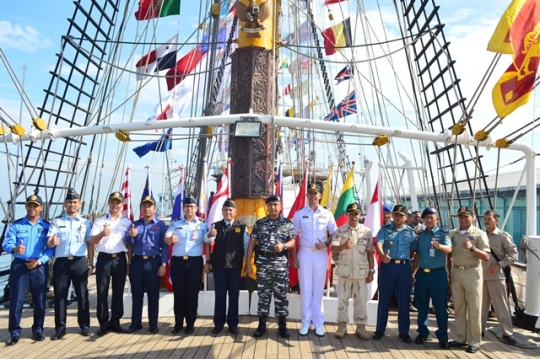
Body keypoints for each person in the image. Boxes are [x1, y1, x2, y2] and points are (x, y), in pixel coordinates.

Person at [3, 194, 53, 345]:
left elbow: (50, 249)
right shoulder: (16, 225)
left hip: (38, 265)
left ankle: (38, 329)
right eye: (29, 205)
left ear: (40, 208)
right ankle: (14, 332)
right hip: (20, 265)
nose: (32, 208)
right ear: (26, 207)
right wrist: (15, 249)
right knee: (16, 300)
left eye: (35, 206)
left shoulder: (46, 227)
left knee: (39, 300)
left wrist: (40, 261)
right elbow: (6, 244)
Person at [245, 194, 295, 338]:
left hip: (280, 266)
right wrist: (248, 264)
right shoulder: (259, 223)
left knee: (281, 296)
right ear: (266, 207)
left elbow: (293, 241)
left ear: (280, 206)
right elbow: (252, 244)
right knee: (263, 296)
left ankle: (282, 326)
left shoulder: (287, 223)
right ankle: (261, 326)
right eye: (270, 204)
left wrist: (284, 245)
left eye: (275, 204)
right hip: (263, 266)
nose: (273, 207)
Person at [292, 183, 337, 337]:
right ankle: (305, 322)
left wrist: (325, 243)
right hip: (304, 253)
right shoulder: (299, 213)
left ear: (319, 195)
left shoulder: (327, 214)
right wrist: (294, 257)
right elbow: (293, 236)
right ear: (307, 196)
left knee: (318, 289)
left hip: (320, 253)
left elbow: (334, 233)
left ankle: (318, 323)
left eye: (315, 193)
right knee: (305, 289)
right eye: (310, 193)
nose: (312, 196)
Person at [47, 189, 93, 340]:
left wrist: (91, 263)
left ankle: (84, 325)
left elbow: (90, 243)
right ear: (65, 204)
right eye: (69, 202)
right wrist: (51, 242)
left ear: (80, 204)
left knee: (82, 294)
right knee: (60, 295)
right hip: (62, 262)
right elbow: (49, 240)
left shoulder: (86, 222)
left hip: (80, 261)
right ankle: (60, 328)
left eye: (75, 202)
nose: (72, 205)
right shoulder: (56, 221)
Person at [165, 196, 210, 335]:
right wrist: (169, 239)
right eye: (187, 206)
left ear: (196, 208)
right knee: (179, 294)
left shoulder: (202, 224)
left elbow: (207, 242)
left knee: (192, 294)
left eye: (192, 206)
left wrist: (207, 262)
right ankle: (178, 324)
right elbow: (166, 238)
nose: (189, 209)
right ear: (183, 208)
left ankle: (190, 324)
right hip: (178, 262)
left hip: (194, 263)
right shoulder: (176, 223)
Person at [448, 206, 490, 354]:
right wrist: (449, 272)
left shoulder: (479, 234)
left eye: (466, 216)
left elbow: (486, 257)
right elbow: (449, 253)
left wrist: (472, 248)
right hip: (457, 271)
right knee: (459, 308)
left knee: (474, 308)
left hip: (472, 271)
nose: (463, 219)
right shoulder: (453, 233)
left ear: (472, 217)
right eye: (461, 216)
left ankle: (474, 341)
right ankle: (461, 338)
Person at [90, 191, 132, 336]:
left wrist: (129, 262)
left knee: (118, 291)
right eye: (113, 202)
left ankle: (115, 321)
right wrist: (102, 234)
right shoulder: (99, 221)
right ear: (108, 203)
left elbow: (129, 244)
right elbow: (92, 241)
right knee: (102, 291)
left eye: (118, 203)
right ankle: (103, 323)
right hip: (104, 258)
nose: (115, 205)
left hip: (120, 258)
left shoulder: (126, 222)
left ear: (122, 205)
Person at [123, 196, 168, 334]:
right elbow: (126, 242)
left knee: (153, 295)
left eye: (150, 206)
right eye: (144, 206)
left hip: (153, 262)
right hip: (137, 262)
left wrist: (164, 264)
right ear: (141, 209)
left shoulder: (160, 226)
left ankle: (153, 324)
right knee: (136, 294)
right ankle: (135, 323)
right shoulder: (134, 225)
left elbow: (165, 246)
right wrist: (130, 235)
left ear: (154, 208)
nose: (147, 208)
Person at [373, 204, 416, 343]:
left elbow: (414, 251)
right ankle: (380, 330)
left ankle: (403, 332)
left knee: (404, 300)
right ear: (392, 216)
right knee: (384, 299)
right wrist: (382, 255)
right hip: (388, 267)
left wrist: (412, 270)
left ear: (406, 218)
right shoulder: (385, 230)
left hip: (404, 268)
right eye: (396, 214)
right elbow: (378, 243)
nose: (398, 217)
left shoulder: (411, 232)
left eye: (401, 215)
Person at [205, 199, 249, 335]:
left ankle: (233, 323)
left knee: (234, 296)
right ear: (222, 212)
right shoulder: (215, 226)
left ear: (235, 212)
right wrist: (209, 235)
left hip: (235, 267)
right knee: (220, 296)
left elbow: (246, 246)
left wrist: (247, 264)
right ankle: (218, 323)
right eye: (225, 210)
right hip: (219, 267)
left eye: (230, 210)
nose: (228, 212)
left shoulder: (242, 227)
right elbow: (206, 240)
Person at [331, 203, 374, 340]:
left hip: (361, 273)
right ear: (347, 215)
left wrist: (371, 271)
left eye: (356, 214)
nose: (354, 216)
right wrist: (343, 246)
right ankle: (342, 325)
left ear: (360, 215)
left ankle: (360, 326)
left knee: (360, 300)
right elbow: (333, 249)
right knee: (342, 300)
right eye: (351, 214)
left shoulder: (367, 232)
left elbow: (370, 253)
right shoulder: (340, 231)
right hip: (345, 272)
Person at [412, 206, 452, 349]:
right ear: (423, 219)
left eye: (431, 217)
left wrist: (440, 246)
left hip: (438, 274)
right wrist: (413, 272)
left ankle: (443, 336)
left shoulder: (442, 235)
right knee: (421, 305)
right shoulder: (421, 235)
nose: (429, 220)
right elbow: (417, 255)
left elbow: (449, 250)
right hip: (422, 274)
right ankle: (422, 333)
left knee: (440, 307)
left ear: (437, 219)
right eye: (426, 218)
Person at [481, 210, 518, 345]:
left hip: (496, 276)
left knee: (501, 306)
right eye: (485, 219)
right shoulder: (481, 235)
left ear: (496, 220)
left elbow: (514, 255)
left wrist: (499, 265)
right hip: (482, 275)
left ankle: (507, 333)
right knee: (481, 305)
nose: (486, 221)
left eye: (489, 219)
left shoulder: (503, 236)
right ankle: (479, 330)